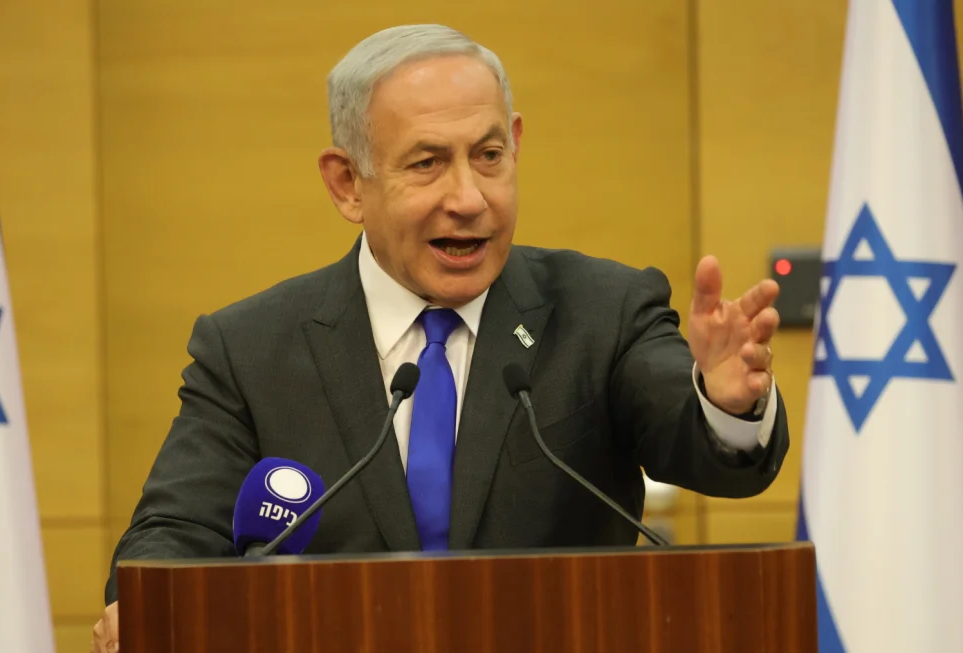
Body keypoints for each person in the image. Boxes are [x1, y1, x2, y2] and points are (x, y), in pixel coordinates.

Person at [91, 23, 788, 652]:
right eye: (426, 163)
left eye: (488, 155)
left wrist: (725, 403)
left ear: (516, 145)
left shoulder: (601, 311)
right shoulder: (250, 349)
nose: (469, 198)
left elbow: (697, 441)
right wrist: (143, 608)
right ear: (347, 183)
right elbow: (174, 532)